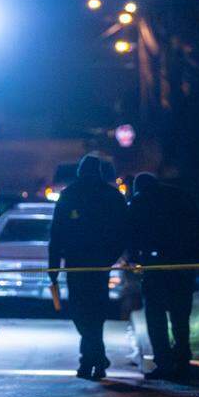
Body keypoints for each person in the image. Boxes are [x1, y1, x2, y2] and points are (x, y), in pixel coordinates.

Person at [48, 155, 128, 379]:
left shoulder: (70, 194)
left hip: (76, 264)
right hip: (100, 264)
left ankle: (90, 361)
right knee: (96, 312)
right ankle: (96, 359)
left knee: (80, 311)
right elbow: (124, 231)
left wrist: (53, 268)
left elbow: (56, 234)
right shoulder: (112, 196)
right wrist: (111, 257)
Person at [128, 172, 199, 380]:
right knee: (180, 314)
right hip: (183, 265)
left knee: (156, 315)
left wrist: (134, 258)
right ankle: (183, 359)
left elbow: (133, 233)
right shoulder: (181, 197)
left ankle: (164, 362)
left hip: (155, 267)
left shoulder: (140, 200)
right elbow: (196, 228)